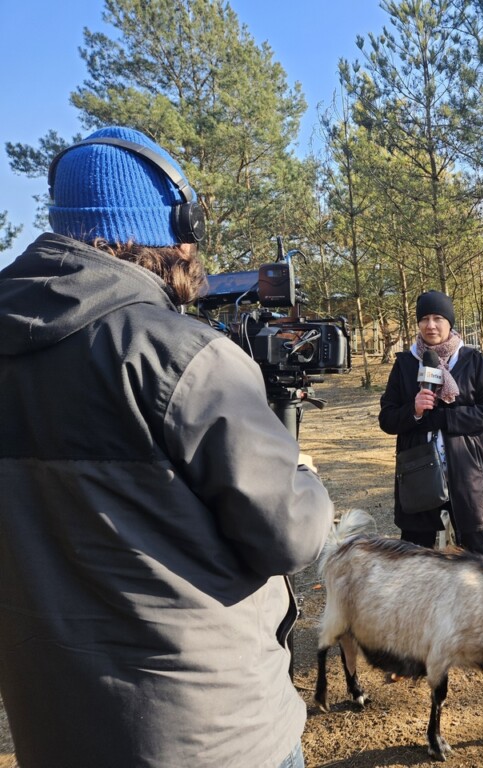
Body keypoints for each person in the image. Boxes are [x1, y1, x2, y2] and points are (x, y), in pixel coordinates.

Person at [0, 126, 333, 768]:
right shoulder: (181, 356)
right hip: (212, 734)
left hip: (56, 729)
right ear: (167, 228)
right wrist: (302, 474)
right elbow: (287, 535)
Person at [379, 290, 483, 555]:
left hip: (467, 470)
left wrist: (446, 418)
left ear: (450, 322)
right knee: (415, 556)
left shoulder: (472, 361)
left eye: (438, 318)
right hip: (417, 471)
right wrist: (413, 410)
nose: (431, 325)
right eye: (424, 318)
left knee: (475, 555)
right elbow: (387, 419)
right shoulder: (405, 364)